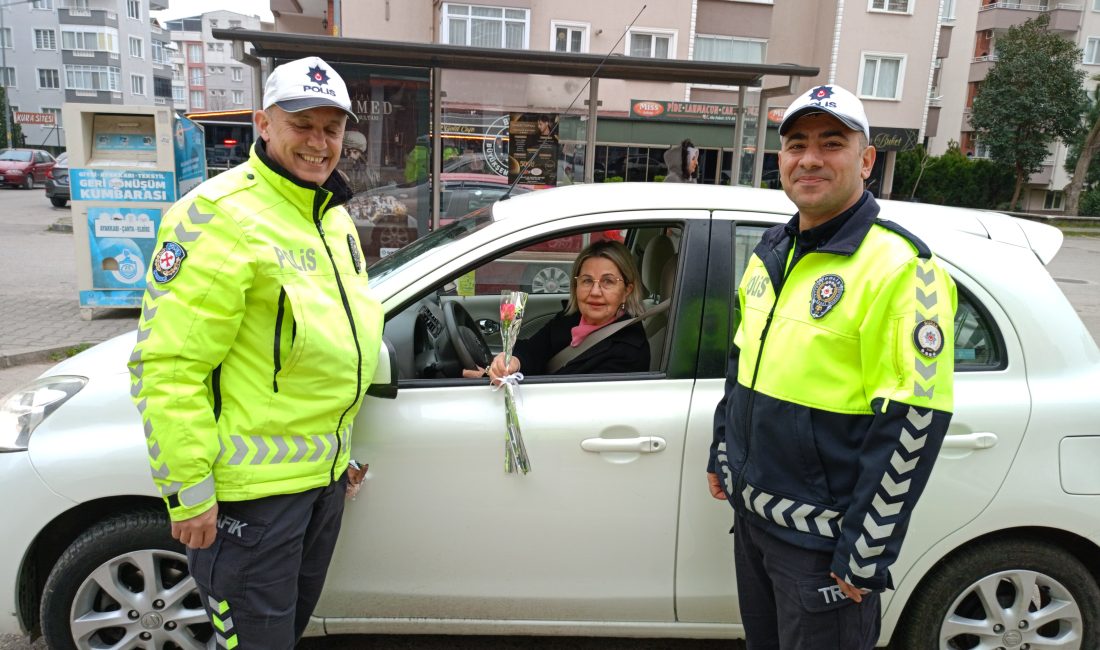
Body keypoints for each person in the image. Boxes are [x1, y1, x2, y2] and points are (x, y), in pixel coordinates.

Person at [128, 56, 384, 650]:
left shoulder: (331, 218)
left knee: (283, 637)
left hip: (318, 487)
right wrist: (188, 492)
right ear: (262, 123)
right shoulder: (217, 217)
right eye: (303, 125)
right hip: (251, 501)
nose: (320, 144)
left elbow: (345, 335)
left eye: (331, 128)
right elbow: (167, 367)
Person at [706, 84, 957, 649]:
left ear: (866, 159)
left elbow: (913, 418)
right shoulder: (773, 249)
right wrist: (722, 451)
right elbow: (743, 360)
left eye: (832, 143)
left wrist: (864, 553)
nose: (810, 159)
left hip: (823, 547)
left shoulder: (902, 269)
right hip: (756, 523)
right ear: (781, 160)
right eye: (796, 145)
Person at [487, 239, 650, 379]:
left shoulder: (630, 352)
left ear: (626, 291)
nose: (595, 292)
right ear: (576, 285)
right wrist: (512, 361)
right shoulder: (570, 318)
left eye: (608, 281)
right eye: (587, 281)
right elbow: (533, 349)